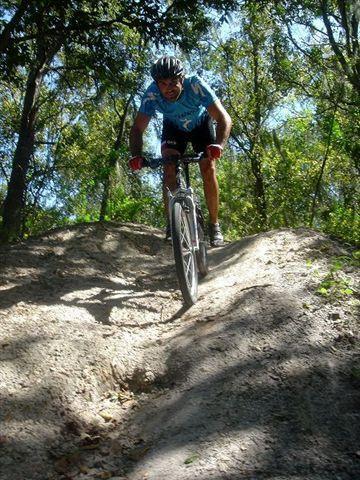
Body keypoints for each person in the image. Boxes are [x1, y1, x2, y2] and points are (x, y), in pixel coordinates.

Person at [129, 56, 232, 247]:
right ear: (156, 84)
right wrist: (136, 155)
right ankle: (173, 224)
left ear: (182, 78)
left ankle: (214, 224)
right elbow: (137, 129)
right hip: (173, 128)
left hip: (201, 125)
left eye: (173, 82)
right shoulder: (152, 94)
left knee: (208, 167)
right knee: (168, 169)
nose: (168, 88)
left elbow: (224, 118)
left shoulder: (195, 85)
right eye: (163, 83)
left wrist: (219, 145)